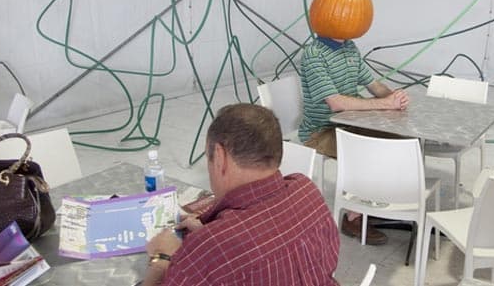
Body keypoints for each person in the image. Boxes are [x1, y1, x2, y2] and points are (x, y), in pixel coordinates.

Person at [142, 104, 340, 286]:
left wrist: (161, 259)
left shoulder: (209, 250)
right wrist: (210, 230)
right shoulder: (306, 190)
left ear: (219, 157)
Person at [299, 36, 409, 245]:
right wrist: (385, 104)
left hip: (350, 124)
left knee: (399, 142)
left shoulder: (349, 47)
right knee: (366, 150)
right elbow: (336, 103)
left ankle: (372, 202)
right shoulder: (314, 55)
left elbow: (374, 86)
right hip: (320, 132)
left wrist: (395, 96)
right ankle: (353, 217)